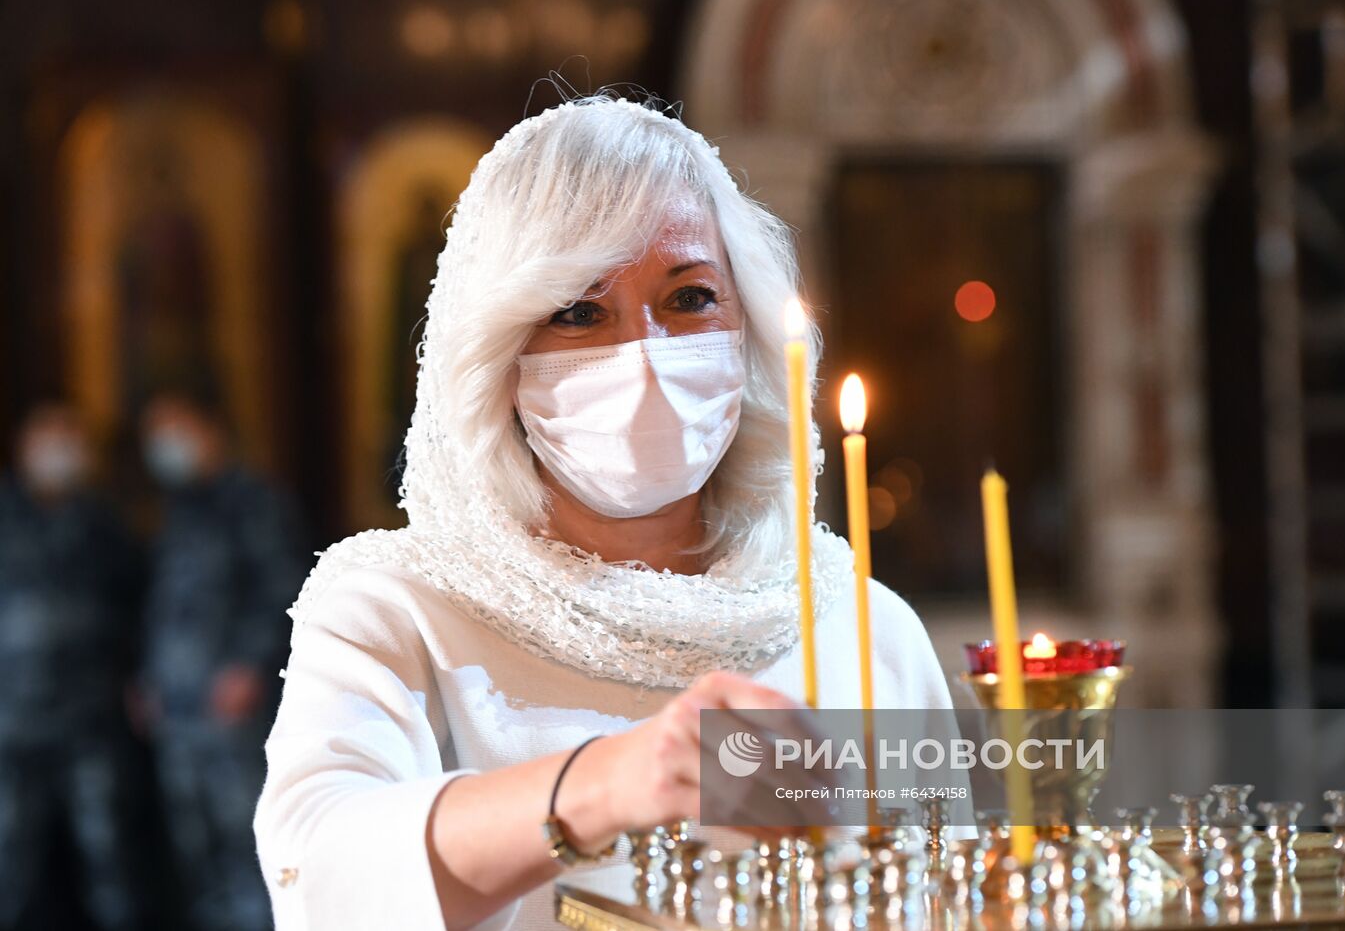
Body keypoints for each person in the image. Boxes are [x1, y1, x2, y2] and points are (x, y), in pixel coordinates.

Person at [254, 95, 957, 931]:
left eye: (691, 297)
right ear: (499, 355)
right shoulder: (397, 609)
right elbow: (320, 874)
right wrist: (611, 783)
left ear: (749, 330)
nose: (646, 352)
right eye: (580, 312)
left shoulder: (859, 621)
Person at [135, 390, 308, 931]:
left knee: (250, 840)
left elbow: (283, 591)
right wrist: (148, 677)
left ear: (211, 427)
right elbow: (162, 603)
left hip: (234, 708)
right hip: (178, 708)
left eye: (176, 426)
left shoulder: (255, 502)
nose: (166, 444)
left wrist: (249, 668)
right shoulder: (176, 511)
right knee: (194, 845)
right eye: (155, 432)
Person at [0, 404, 151, 930]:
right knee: (11, 864)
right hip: (13, 726)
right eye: (48, 436)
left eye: (69, 437)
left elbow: (141, 607)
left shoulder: (103, 524)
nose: (58, 450)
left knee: (110, 858)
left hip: (92, 719)